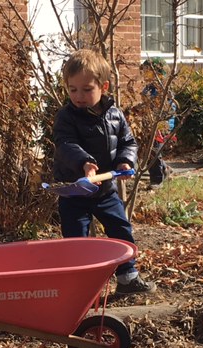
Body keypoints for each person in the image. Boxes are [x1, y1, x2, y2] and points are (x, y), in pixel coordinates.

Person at [53, 49, 156, 295]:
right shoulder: (66, 117)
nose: (79, 96)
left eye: (87, 89)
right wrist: (85, 163)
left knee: (120, 229)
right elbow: (65, 144)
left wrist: (125, 162)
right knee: (76, 240)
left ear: (104, 86)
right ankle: (82, 286)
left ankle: (127, 277)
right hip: (75, 192)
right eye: (72, 89)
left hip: (106, 190)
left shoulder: (114, 115)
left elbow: (128, 142)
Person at [140, 58, 176, 188]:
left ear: (158, 74)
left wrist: (162, 123)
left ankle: (157, 179)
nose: (145, 75)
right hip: (151, 124)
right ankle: (165, 168)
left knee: (154, 150)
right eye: (144, 72)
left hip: (162, 125)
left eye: (148, 72)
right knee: (150, 150)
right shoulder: (148, 88)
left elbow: (170, 109)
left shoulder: (163, 90)